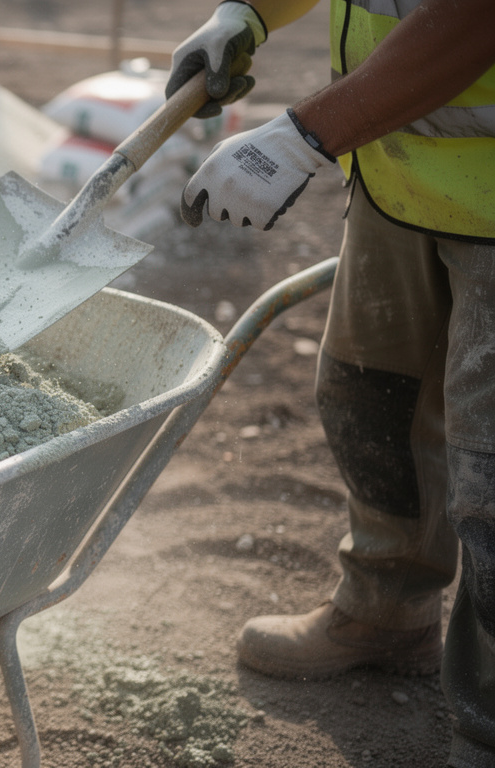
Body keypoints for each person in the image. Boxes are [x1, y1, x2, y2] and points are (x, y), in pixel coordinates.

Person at [168, 0, 495, 763]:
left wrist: (306, 132)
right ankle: (386, 608)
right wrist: (248, 13)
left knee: (492, 482)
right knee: (368, 393)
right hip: (400, 169)